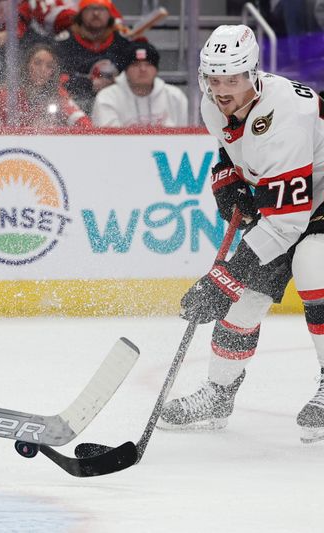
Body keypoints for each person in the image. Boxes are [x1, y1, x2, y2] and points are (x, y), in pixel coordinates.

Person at [158, 25, 324, 444]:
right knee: (245, 297)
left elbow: (287, 224)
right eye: (214, 79)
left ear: (253, 76)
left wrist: (222, 279)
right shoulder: (213, 105)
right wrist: (226, 177)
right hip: (290, 194)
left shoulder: (285, 118)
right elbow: (230, 148)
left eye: (232, 79)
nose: (222, 89)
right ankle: (218, 394)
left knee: (312, 264)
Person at [0, 43, 90, 128]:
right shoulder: (4, 95)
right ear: (27, 65)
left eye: (49, 66)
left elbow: (84, 123)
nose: (42, 69)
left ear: (53, 72)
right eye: (37, 63)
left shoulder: (58, 95)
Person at [55, 0, 130, 114]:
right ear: (81, 14)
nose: (96, 13)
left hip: (117, 104)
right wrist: (90, 85)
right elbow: (56, 79)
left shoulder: (122, 41)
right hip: (75, 105)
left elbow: (135, 75)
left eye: (101, 9)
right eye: (90, 8)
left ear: (110, 14)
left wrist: (117, 82)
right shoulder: (65, 42)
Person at [92, 40, 188, 128]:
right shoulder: (107, 97)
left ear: (156, 70)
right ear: (126, 70)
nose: (143, 69)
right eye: (136, 65)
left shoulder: (175, 97)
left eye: (148, 64)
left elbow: (186, 137)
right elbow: (107, 140)